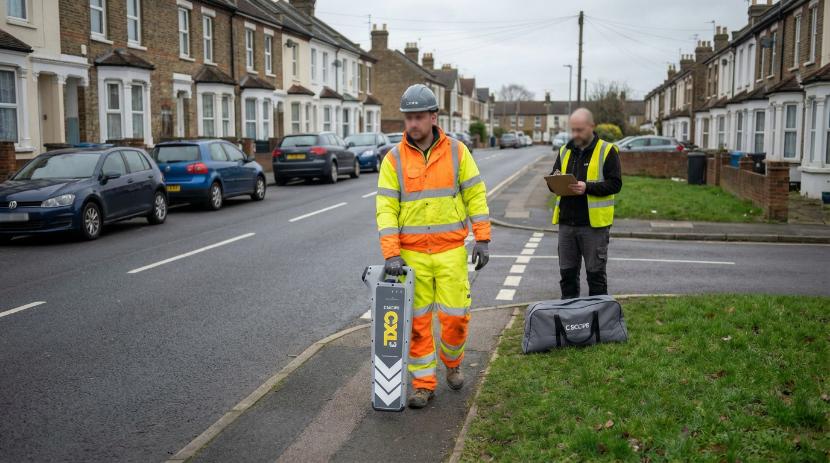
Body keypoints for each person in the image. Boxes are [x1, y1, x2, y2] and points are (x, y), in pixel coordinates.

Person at [376, 84, 491, 409]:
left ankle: (452, 363)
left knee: (455, 318)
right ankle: (423, 385)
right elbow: (386, 209)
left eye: (418, 117)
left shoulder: (457, 152)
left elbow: (475, 195)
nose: (413, 124)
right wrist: (392, 253)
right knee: (417, 324)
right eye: (408, 118)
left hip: (450, 251)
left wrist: (482, 237)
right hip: (411, 256)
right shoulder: (393, 159)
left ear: (433, 117)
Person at [551, 108, 622, 299]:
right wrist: (555, 181)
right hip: (567, 224)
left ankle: (598, 324)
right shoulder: (565, 150)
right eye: (573, 130)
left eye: (580, 130)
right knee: (567, 278)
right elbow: (554, 179)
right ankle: (571, 322)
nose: (575, 134)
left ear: (592, 126)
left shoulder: (607, 151)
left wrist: (587, 187)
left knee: (596, 279)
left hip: (594, 227)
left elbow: (615, 184)